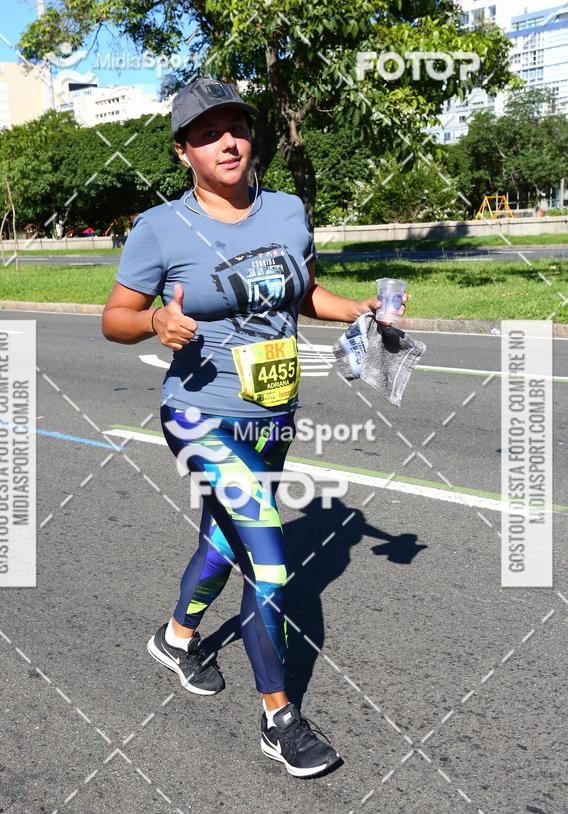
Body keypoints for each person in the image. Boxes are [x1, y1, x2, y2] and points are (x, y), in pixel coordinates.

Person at [102, 76, 407, 778]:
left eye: (236, 126)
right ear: (184, 152)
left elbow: (302, 291)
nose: (228, 142)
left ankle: (177, 639)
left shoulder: (289, 210)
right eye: (207, 134)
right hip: (200, 414)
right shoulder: (160, 229)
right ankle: (280, 720)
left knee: (222, 536)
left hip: (273, 414)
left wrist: (358, 306)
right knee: (269, 561)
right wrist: (154, 320)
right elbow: (114, 318)